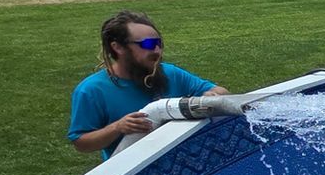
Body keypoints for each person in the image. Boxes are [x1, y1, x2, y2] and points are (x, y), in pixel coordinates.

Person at [69, 12, 228, 159]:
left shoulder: (170, 73)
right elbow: (81, 143)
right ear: (117, 47)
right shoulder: (92, 90)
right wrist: (117, 127)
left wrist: (213, 96)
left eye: (159, 43)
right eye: (148, 44)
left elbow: (220, 91)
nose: (157, 51)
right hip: (132, 171)